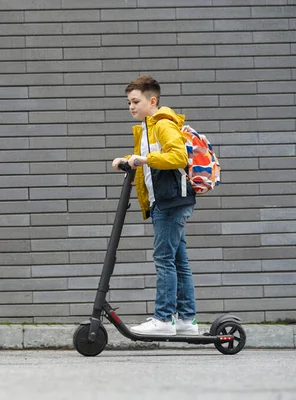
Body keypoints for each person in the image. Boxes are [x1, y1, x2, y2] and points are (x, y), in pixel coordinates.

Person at [112, 76, 199, 336]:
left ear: (152, 100)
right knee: (178, 261)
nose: (131, 106)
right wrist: (128, 159)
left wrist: (143, 159)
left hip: (170, 201)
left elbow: (177, 156)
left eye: (135, 101)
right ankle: (186, 320)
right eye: (129, 102)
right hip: (168, 201)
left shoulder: (162, 124)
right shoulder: (147, 128)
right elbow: (149, 158)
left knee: (163, 259)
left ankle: (163, 320)